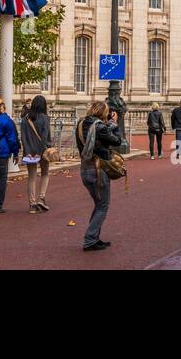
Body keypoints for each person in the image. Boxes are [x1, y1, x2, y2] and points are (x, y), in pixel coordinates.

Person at [76, 100, 122, 251]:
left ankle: (94, 237)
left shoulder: (81, 124)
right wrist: (114, 124)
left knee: (98, 204)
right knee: (103, 205)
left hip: (84, 168)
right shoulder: (101, 127)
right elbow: (117, 141)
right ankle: (90, 239)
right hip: (97, 169)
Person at [21, 94, 53, 214]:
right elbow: (45, 137)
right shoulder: (45, 118)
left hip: (29, 152)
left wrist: (28, 152)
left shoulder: (25, 118)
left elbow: (23, 138)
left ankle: (32, 204)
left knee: (32, 177)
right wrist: (41, 152)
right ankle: (41, 198)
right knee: (45, 174)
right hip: (42, 151)